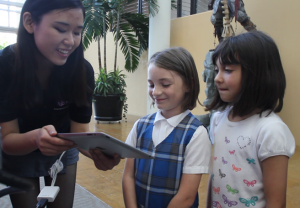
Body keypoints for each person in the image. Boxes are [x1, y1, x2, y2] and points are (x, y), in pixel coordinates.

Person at [0, 0, 120, 207]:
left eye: (77, 32)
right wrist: (36, 138)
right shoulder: (6, 66)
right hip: (20, 149)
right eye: (61, 29)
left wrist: (99, 154)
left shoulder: (82, 71)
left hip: (63, 150)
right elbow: (8, 141)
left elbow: (79, 132)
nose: (71, 41)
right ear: (29, 22)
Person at [205, 31, 295, 207]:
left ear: (258, 74)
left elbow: (276, 202)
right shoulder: (218, 120)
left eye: (228, 70)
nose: (217, 78)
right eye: (217, 70)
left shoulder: (271, 130)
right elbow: (216, 177)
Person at [122, 47, 212, 208]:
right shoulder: (140, 126)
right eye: (151, 84)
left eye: (165, 84)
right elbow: (128, 176)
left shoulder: (196, 134)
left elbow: (186, 196)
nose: (156, 92)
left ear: (188, 85)